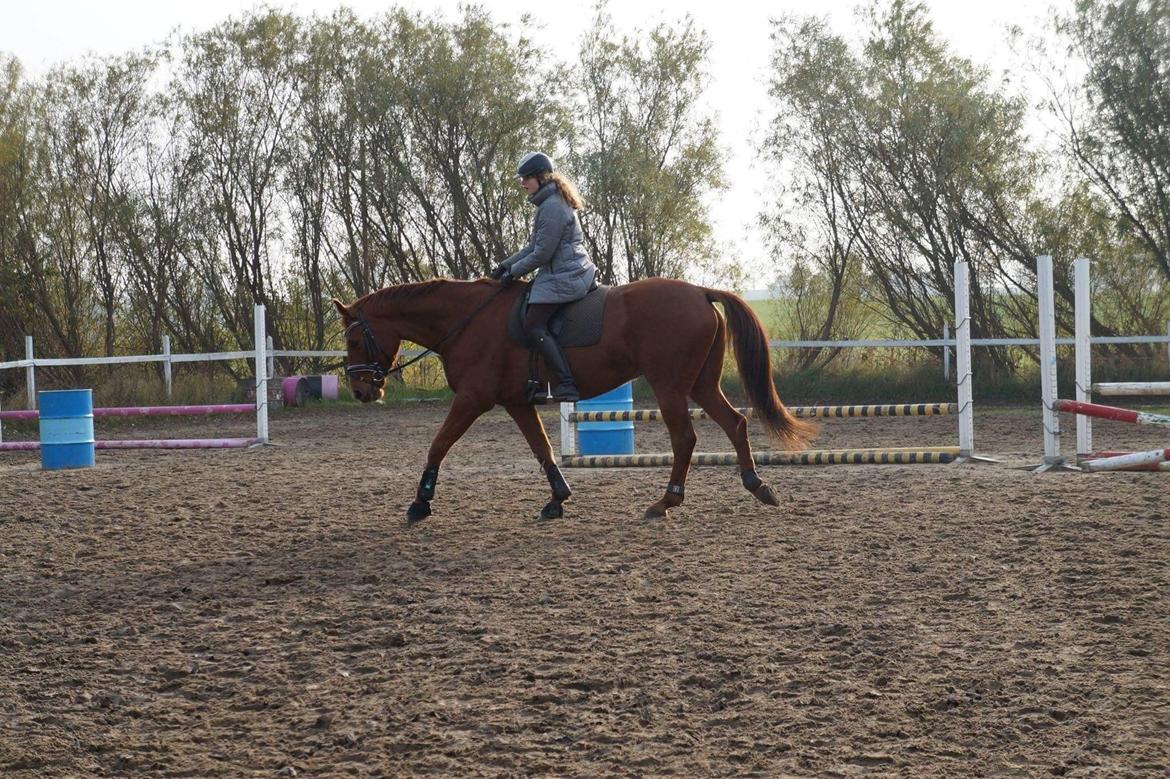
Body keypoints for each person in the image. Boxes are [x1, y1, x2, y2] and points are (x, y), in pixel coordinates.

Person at [490, 151, 598, 402]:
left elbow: (541, 254)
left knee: (533, 323)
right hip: (560, 272)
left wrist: (512, 274)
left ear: (540, 177)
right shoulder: (549, 203)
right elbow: (532, 248)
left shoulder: (551, 207)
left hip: (566, 275)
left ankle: (566, 382)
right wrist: (504, 266)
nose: (523, 183)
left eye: (526, 178)